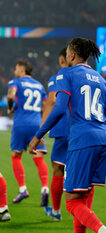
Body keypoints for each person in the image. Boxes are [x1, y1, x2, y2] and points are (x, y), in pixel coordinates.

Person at [28, 38, 106, 233]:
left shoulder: (66, 74)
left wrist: (38, 135)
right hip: (104, 142)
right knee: (83, 200)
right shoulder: (103, 82)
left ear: (71, 55)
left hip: (82, 140)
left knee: (71, 203)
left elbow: (60, 107)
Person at [7, 60, 49, 206]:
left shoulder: (15, 82)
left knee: (16, 155)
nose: (14, 71)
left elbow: (11, 96)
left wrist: (10, 107)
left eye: (16, 68)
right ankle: (44, 188)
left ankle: (23, 189)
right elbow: (45, 107)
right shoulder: (39, 85)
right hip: (37, 124)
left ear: (22, 69)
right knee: (38, 157)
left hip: (21, 123)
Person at [40, 48, 69, 221]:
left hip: (64, 127)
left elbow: (52, 100)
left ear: (61, 60)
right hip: (84, 130)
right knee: (80, 171)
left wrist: (41, 130)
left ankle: (56, 211)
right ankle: (83, 212)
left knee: (58, 168)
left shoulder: (58, 77)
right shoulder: (88, 76)